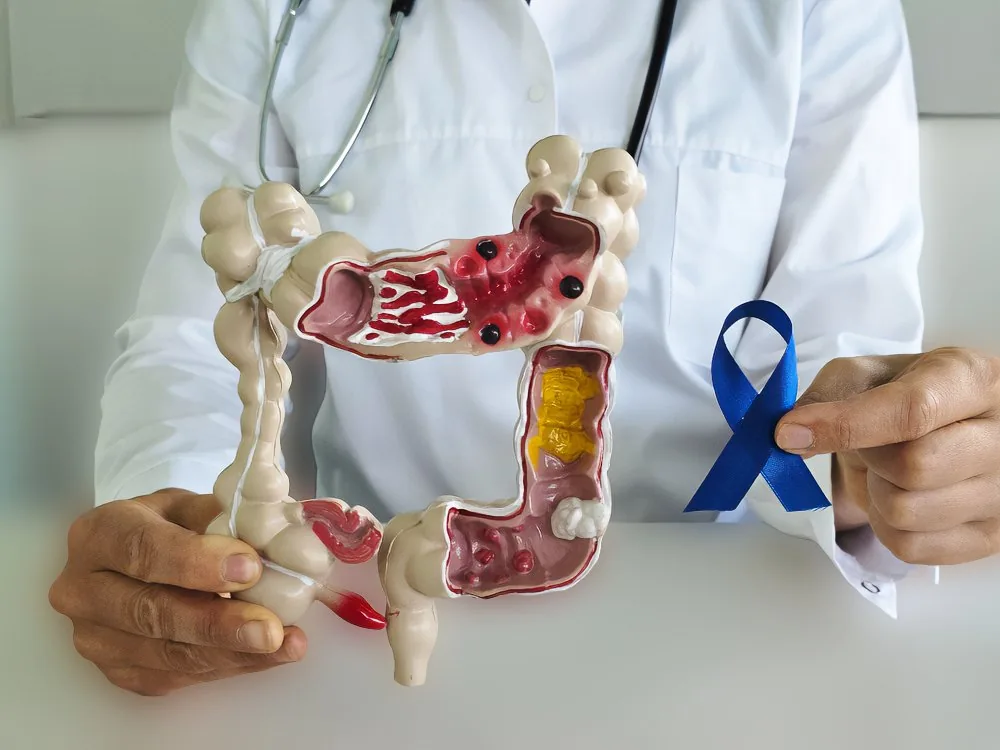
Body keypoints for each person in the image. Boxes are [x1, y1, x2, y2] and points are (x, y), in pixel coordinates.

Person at [48, 0, 1000, 697]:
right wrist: (174, 524)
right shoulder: (277, 13)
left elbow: (849, 361)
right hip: (358, 647)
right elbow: (200, 326)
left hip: (718, 644)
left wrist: (882, 457)